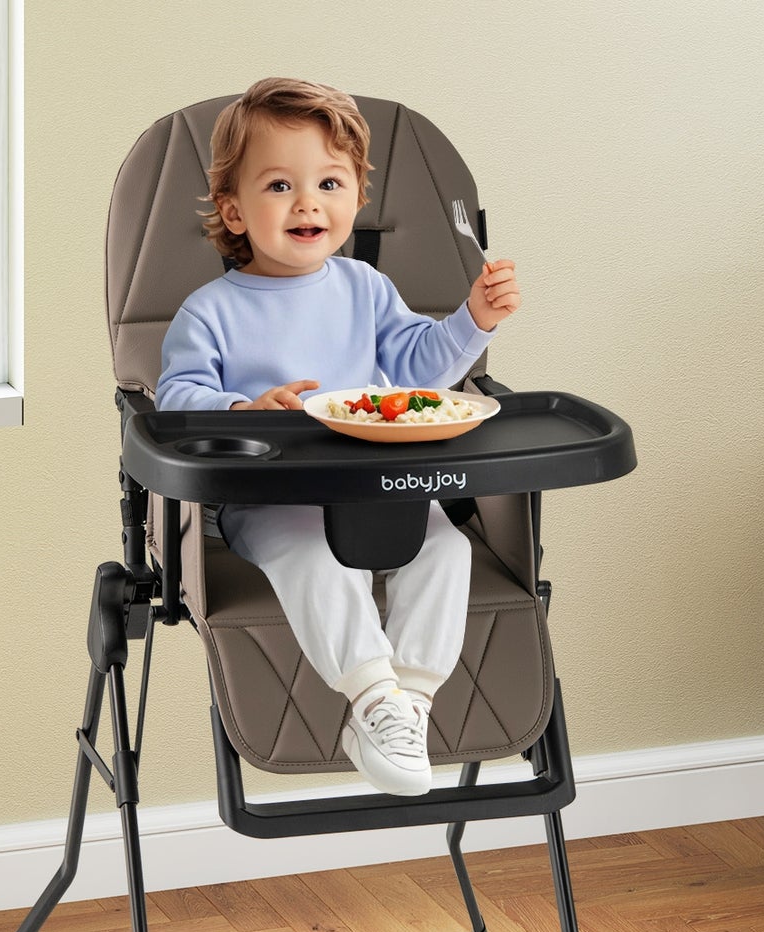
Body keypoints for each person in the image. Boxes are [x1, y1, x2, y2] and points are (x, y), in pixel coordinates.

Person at [156, 77, 520, 795]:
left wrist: (473, 319)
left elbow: (422, 370)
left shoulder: (365, 288)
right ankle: (369, 692)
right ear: (233, 210)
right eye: (279, 185)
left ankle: (408, 698)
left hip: (377, 485)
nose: (307, 202)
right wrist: (241, 412)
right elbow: (174, 399)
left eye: (328, 181)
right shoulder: (210, 312)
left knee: (445, 545)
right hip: (271, 500)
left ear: (356, 199)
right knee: (312, 560)